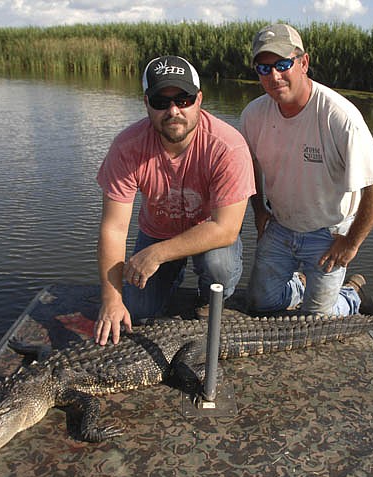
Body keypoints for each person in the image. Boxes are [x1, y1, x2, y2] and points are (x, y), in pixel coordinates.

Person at [94, 55, 255, 345]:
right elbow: (114, 229)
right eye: (160, 101)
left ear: (199, 99)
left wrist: (156, 255)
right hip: (156, 232)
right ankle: (168, 278)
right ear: (146, 103)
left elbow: (226, 228)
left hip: (210, 235)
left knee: (219, 265)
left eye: (183, 99)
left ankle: (208, 299)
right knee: (138, 311)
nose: (173, 111)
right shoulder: (126, 147)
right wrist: (111, 299)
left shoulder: (228, 146)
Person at [240, 24, 373, 316]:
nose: (274, 76)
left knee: (314, 321)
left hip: (329, 233)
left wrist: (351, 242)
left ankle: (352, 297)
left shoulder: (339, 116)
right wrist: (259, 210)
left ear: (303, 62)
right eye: (264, 68)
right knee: (259, 305)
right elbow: (250, 167)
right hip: (280, 226)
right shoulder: (253, 114)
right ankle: (300, 285)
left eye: (283, 64)